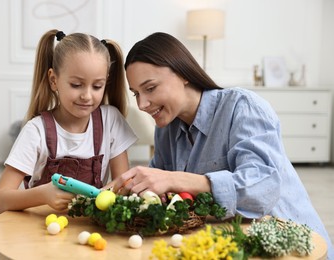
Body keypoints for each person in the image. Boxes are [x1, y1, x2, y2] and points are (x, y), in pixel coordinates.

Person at [113, 32, 334, 258]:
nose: (141, 104)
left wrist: (174, 179)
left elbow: (263, 190)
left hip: (293, 247)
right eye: (136, 93)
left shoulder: (242, 106)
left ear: (183, 73)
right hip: (231, 245)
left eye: (150, 88)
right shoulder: (166, 130)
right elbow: (162, 193)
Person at [0, 30, 137, 214]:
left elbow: (122, 187)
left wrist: (110, 189)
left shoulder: (111, 120)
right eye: (76, 85)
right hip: (40, 229)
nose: (87, 96)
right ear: (54, 80)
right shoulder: (36, 131)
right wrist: (43, 195)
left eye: (97, 86)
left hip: (89, 227)